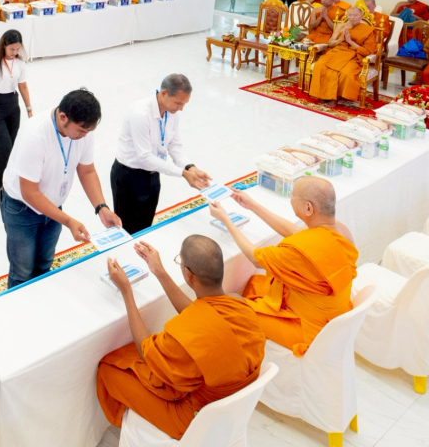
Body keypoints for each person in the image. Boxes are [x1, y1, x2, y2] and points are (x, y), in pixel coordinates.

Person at [96, 236, 266, 439]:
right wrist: (159, 272)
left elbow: (146, 350)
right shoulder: (239, 305)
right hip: (231, 402)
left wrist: (127, 292)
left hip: (196, 418)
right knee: (131, 356)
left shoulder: (189, 332)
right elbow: (202, 315)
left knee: (110, 366)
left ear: (188, 274)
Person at [210, 176, 358, 356]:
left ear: (308, 208)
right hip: (334, 314)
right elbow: (293, 231)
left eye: (293, 196)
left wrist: (226, 220)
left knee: (231, 303)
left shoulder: (300, 250)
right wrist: (252, 205)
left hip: (311, 329)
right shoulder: (341, 230)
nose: (291, 200)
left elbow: (255, 259)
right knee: (255, 284)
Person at [0, 89, 121, 288]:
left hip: (53, 208)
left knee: (44, 264)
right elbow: (29, 192)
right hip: (22, 209)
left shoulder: (83, 132)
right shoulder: (35, 135)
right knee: (22, 272)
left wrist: (101, 207)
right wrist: (68, 221)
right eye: (81, 131)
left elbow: (87, 171)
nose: (84, 136)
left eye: (88, 132)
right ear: (63, 117)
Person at [112, 75, 212, 235]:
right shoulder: (140, 114)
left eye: (184, 104)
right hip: (129, 177)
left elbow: (174, 146)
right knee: (126, 231)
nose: (181, 108)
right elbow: (145, 157)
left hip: (153, 175)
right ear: (164, 93)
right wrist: (182, 173)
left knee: (145, 228)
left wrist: (191, 168)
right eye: (178, 103)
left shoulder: (172, 112)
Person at [0, 29, 34, 198]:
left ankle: (5, 179)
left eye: (17, 49)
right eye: (11, 49)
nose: (14, 52)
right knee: (3, 147)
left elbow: (23, 86)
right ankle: (0, 183)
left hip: (13, 106)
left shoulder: (20, 63)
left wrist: (29, 109)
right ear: (4, 46)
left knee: (11, 147)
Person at [308, 6, 377, 106]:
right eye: (350, 15)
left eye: (355, 15)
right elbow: (330, 43)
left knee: (345, 72)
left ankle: (334, 98)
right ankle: (323, 95)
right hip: (337, 51)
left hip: (354, 55)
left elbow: (368, 51)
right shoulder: (341, 26)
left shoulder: (368, 30)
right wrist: (341, 39)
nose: (352, 17)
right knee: (320, 65)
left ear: (361, 16)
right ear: (346, 15)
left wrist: (350, 41)